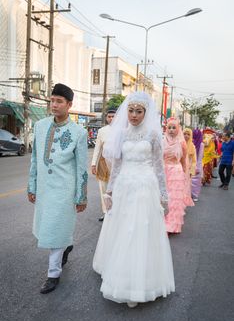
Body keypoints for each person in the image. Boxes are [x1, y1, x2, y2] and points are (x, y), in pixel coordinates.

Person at [93, 92, 175, 308]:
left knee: (140, 232)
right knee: (122, 230)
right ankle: (119, 274)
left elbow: (159, 168)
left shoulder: (154, 136)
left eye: (139, 111)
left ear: (146, 113)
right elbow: (117, 167)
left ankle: (141, 281)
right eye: (131, 110)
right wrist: (109, 192)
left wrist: (164, 196)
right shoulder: (121, 134)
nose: (134, 115)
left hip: (145, 188)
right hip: (124, 187)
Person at [27, 83, 88, 294]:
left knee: (55, 228)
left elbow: (81, 167)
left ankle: (53, 274)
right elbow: (35, 158)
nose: (54, 104)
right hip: (45, 189)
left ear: (69, 105)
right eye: (52, 100)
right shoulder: (40, 126)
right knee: (50, 228)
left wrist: (81, 196)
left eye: (59, 101)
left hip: (64, 191)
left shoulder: (79, 132)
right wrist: (32, 185)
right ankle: (66, 244)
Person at [91, 108, 116, 221]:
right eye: (109, 116)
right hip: (103, 163)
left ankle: (116, 211)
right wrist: (93, 164)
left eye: (113, 116)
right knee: (103, 188)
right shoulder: (102, 131)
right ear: (106, 118)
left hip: (117, 164)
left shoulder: (123, 130)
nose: (111, 118)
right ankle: (106, 212)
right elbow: (97, 149)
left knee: (116, 189)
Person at [163, 117, 187, 234]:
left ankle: (171, 225)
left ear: (178, 129)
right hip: (164, 171)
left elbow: (183, 161)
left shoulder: (182, 143)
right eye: (169, 127)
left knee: (173, 199)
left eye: (174, 128)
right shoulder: (162, 141)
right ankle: (161, 222)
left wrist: (185, 175)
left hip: (176, 173)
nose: (171, 130)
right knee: (163, 197)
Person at [183, 128, 196, 207]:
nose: (186, 136)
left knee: (185, 186)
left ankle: (183, 203)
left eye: (188, 134)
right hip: (178, 168)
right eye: (185, 134)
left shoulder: (192, 146)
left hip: (187, 170)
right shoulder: (178, 144)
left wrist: (191, 171)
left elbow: (194, 161)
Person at [191, 129, 204, 201]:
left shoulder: (191, 143)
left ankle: (190, 194)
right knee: (197, 182)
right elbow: (202, 156)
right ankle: (195, 196)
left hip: (192, 164)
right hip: (199, 165)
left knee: (190, 180)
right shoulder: (202, 144)